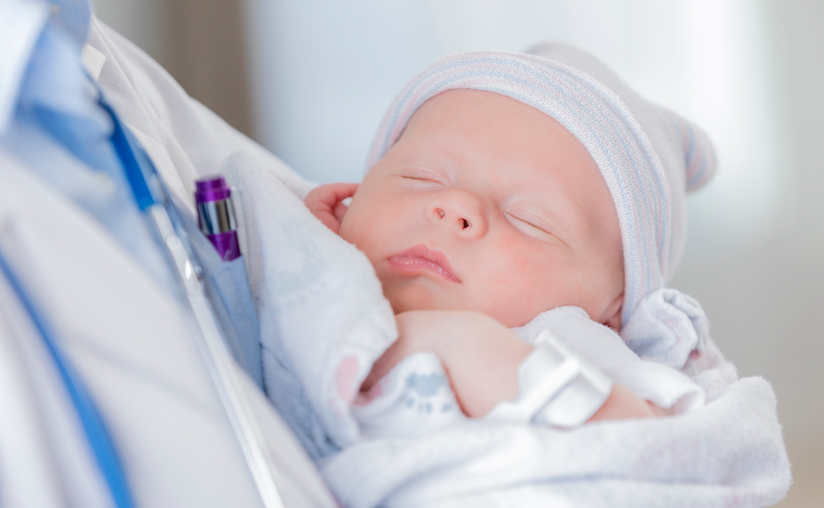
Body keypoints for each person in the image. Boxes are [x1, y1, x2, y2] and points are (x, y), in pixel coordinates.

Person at [303, 43, 715, 429]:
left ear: (613, 311)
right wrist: (314, 259)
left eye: (529, 218)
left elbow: (642, 434)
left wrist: (461, 344)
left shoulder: (565, 339)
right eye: (421, 177)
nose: (456, 207)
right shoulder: (303, 277)